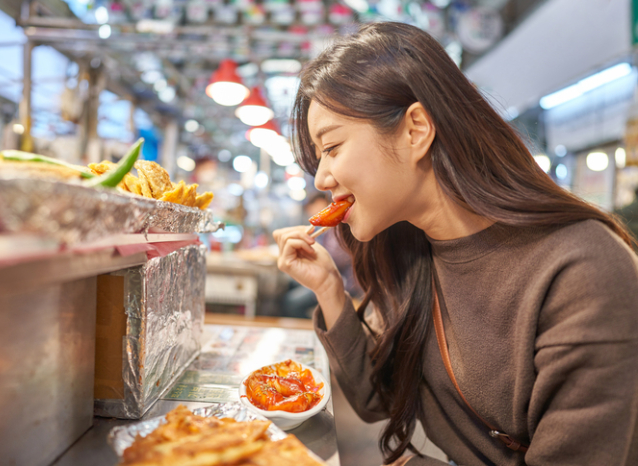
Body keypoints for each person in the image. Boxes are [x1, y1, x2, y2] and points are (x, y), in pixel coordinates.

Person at [273, 22, 638, 466]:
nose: (321, 178)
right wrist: (329, 289)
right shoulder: (412, 249)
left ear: (416, 130)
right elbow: (376, 400)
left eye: (331, 148)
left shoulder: (583, 271)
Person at [281, 192, 362, 318]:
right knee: (288, 283)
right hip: (332, 275)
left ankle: (311, 328)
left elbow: (337, 259)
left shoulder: (340, 227)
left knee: (292, 302)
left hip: (347, 283)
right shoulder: (327, 228)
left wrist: (311, 251)